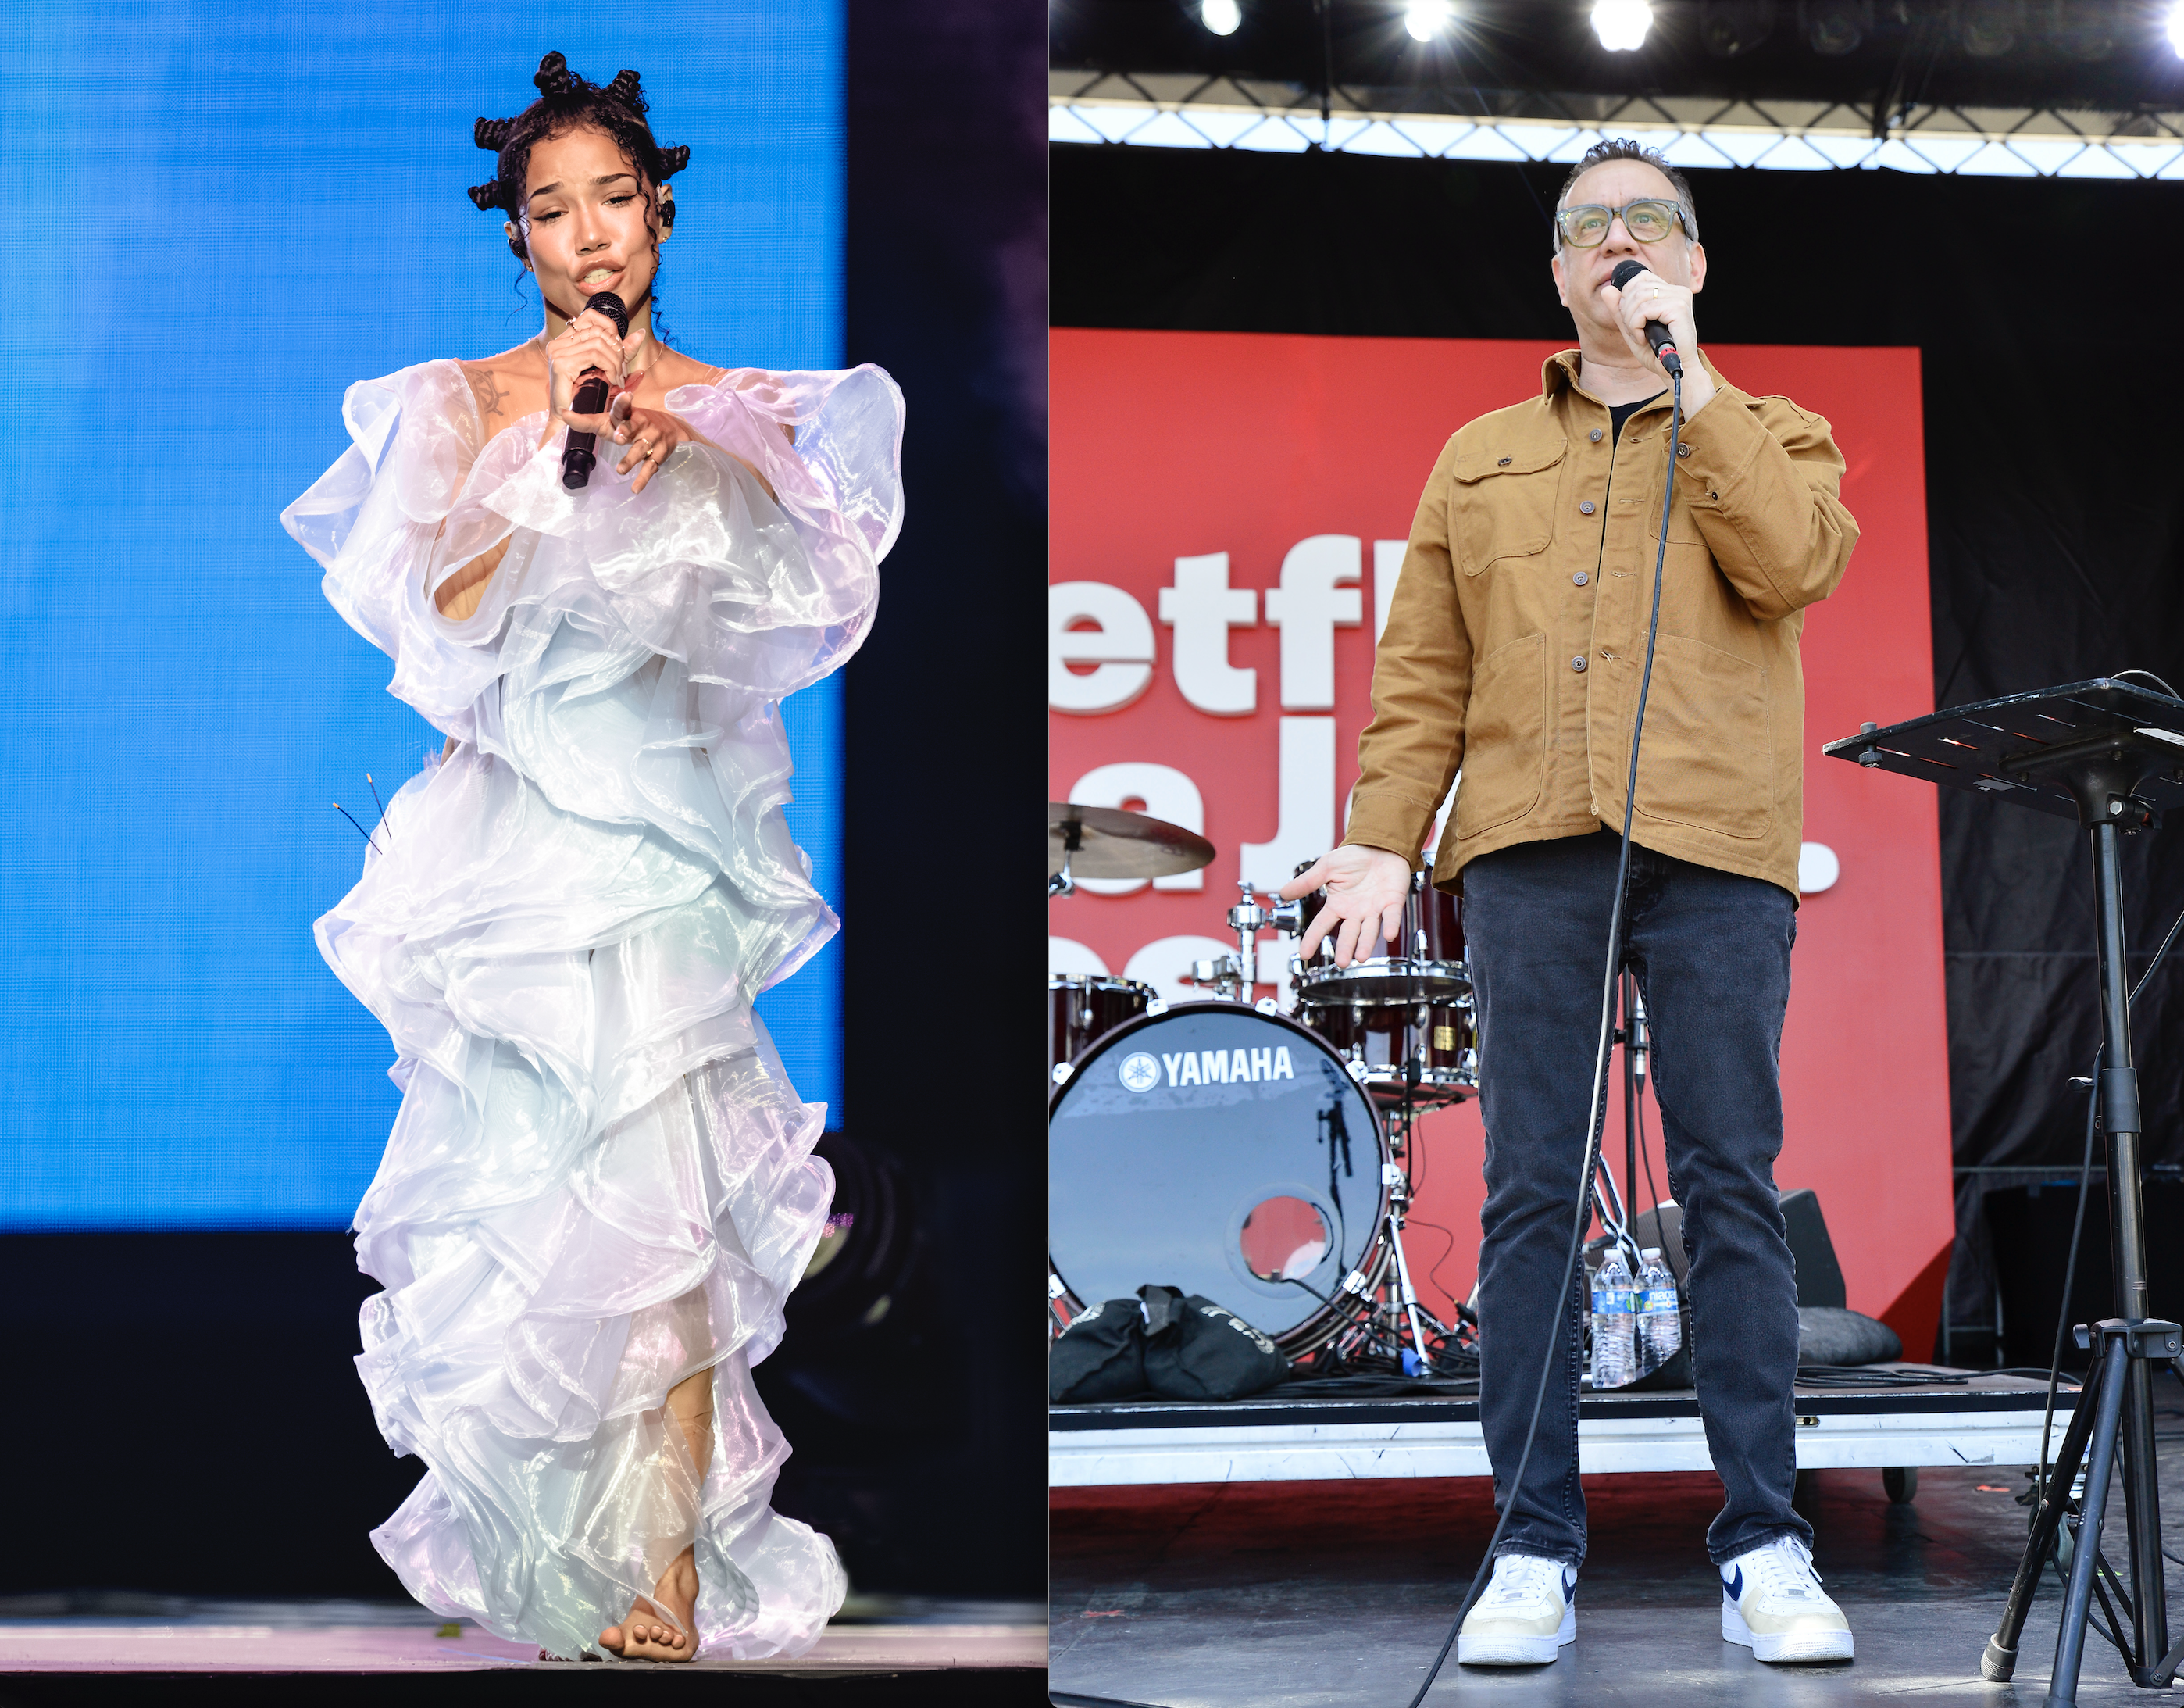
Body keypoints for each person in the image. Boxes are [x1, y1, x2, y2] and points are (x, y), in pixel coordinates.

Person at [281, 53, 902, 1663]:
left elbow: (802, 606)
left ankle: (673, 1566)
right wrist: (544, 453)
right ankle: (553, 1551)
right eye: (548, 210)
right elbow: (445, 613)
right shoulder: (458, 404)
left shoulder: (734, 411)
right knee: (533, 1207)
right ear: (519, 242)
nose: (584, 235)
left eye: (610, 200)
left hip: (659, 848)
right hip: (506, 861)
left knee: (671, 1203)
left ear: (661, 216)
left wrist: (681, 445)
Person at [1283, 138, 1857, 1667]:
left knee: (1732, 1183)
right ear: (1551, 271)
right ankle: (1533, 1544)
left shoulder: (1774, 429)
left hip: (1720, 843)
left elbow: (1795, 564)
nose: (1615, 242)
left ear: (1694, 260)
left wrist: (1694, 379)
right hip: (1533, 841)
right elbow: (1422, 679)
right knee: (1534, 1184)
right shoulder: (1477, 458)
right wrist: (1381, 839)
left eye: (1646, 222)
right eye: (1586, 226)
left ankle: (1769, 1541)